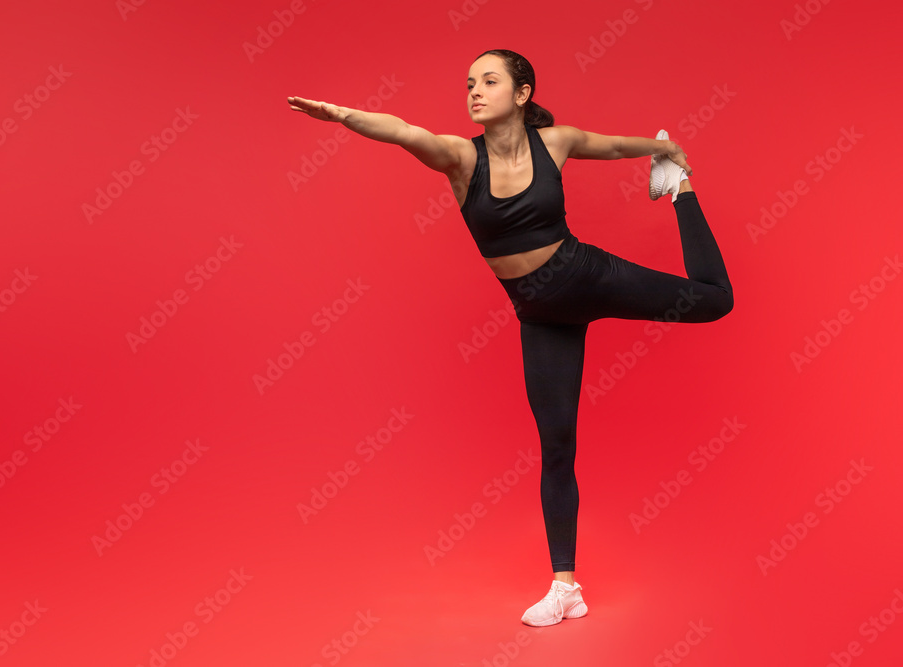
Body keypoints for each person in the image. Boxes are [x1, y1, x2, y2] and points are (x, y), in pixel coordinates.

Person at [287, 48, 733, 627]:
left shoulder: (557, 142)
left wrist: (666, 153)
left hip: (586, 275)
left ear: (521, 94)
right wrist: (344, 115)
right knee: (557, 445)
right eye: (469, 82)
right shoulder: (458, 160)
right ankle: (565, 586)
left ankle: (682, 189)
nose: (474, 90)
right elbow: (401, 131)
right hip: (540, 314)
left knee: (715, 300)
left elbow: (617, 146)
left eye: (489, 81)